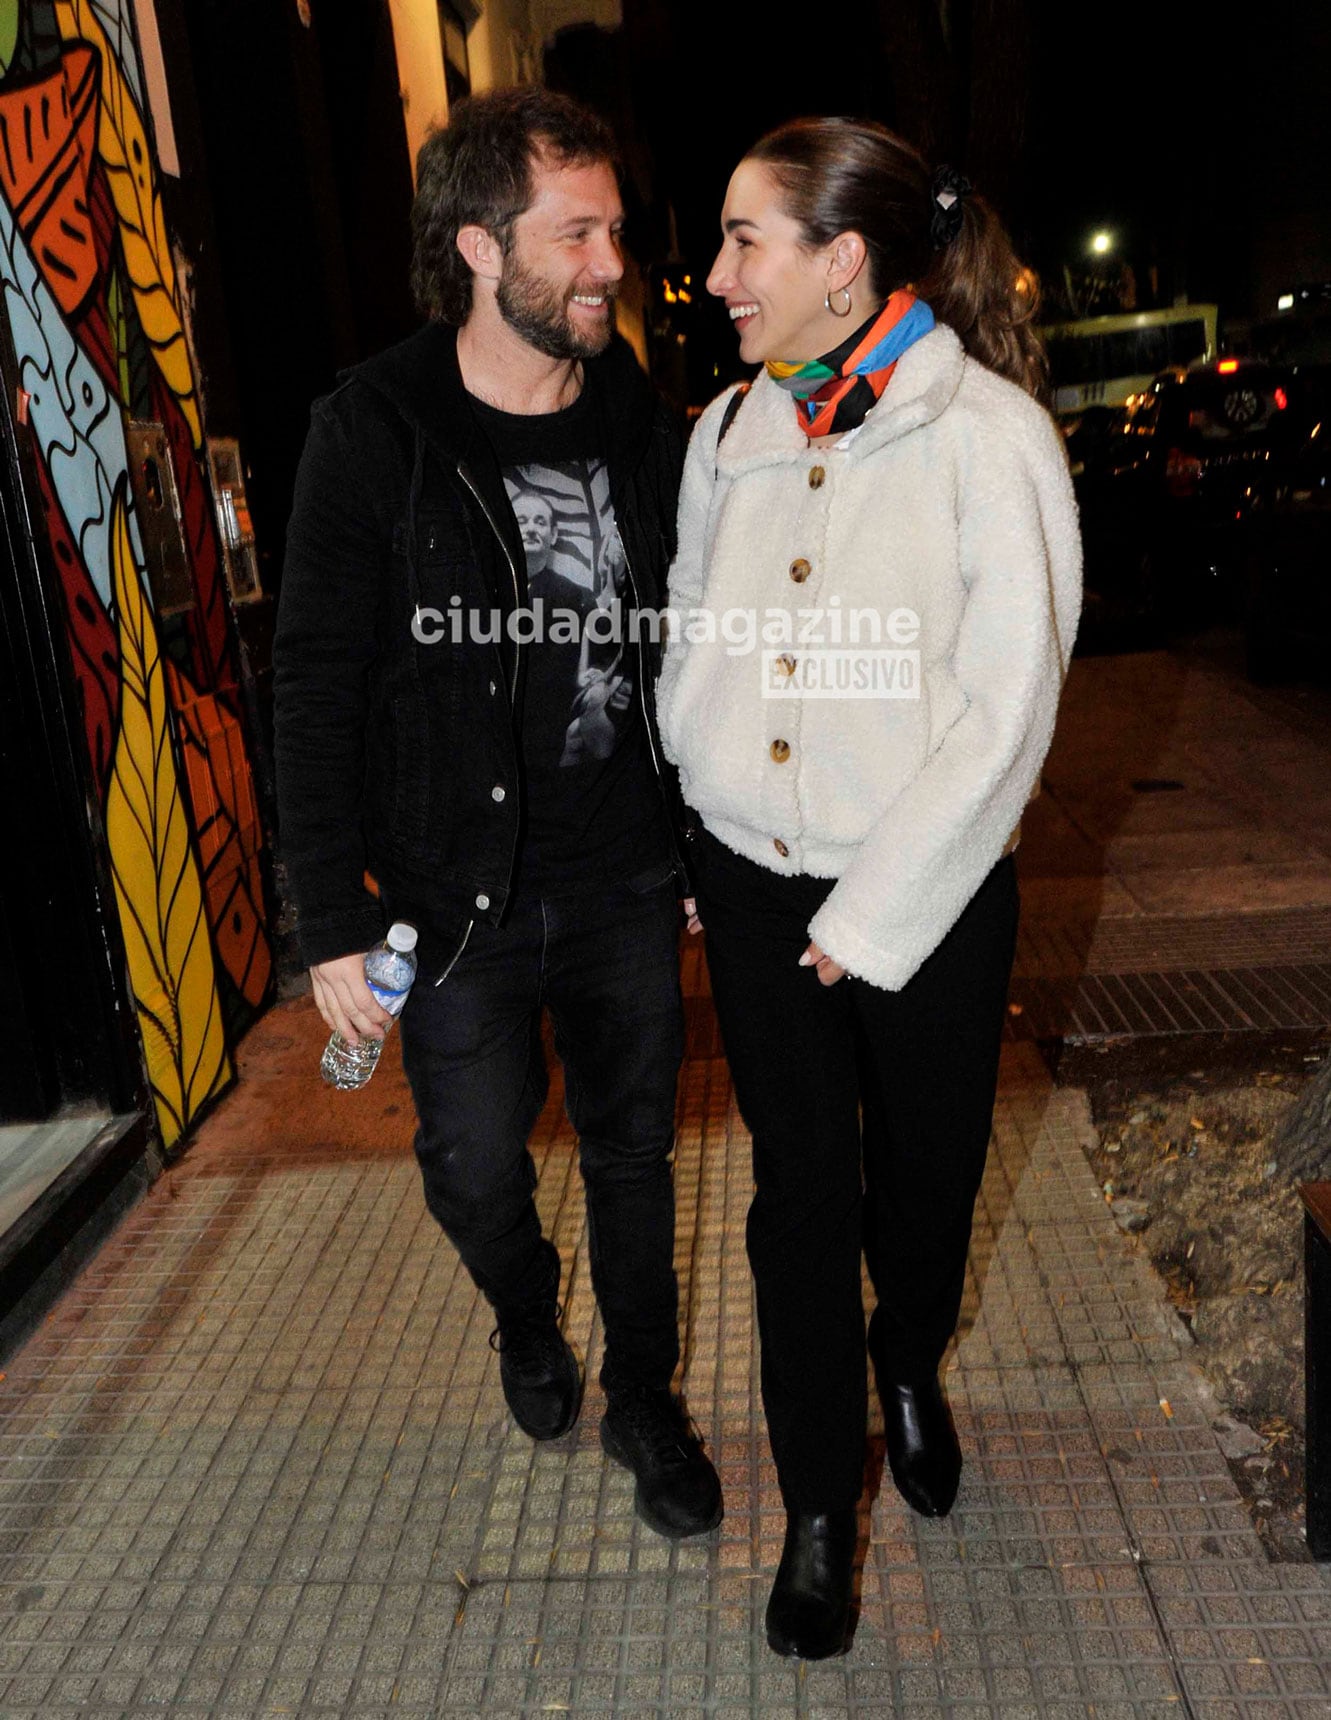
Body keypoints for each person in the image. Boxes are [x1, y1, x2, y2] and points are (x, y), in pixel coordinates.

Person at [656, 118, 1080, 1655]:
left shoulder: (991, 441)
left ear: (843, 265)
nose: (712, 278)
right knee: (794, 1202)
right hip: (757, 890)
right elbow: (694, 622)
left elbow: (1008, 708)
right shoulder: (728, 432)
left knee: (927, 1176)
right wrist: (704, 804)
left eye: (743, 243)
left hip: (934, 893)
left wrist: (869, 916)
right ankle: (821, 1509)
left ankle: (911, 1352)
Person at [274, 87, 722, 1542]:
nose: (612, 260)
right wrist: (330, 920)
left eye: (614, 227)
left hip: (626, 878)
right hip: (444, 894)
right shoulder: (375, 428)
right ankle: (529, 1316)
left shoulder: (643, 426)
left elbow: (697, 644)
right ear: (479, 248)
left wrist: (713, 839)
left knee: (635, 1153)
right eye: (574, 232)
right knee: (471, 1164)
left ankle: (645, 1398)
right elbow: (313, 681)